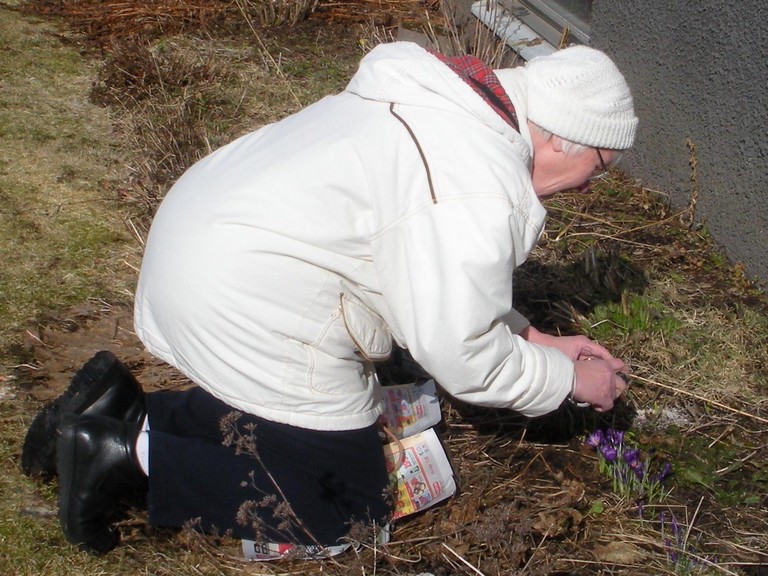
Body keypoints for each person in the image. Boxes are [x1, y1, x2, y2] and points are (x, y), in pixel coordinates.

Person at [23, 41, 636, 555]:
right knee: (345, 507)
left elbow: (436, 273)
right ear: (562, 139)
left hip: (206, 242)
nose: (590, 188)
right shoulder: (474, 185)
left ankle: (119, 407)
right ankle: (122, 454)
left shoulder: (447, 104)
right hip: (244, 293)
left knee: (295, 438)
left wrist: (536, 339)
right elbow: (463, 354)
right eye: (601, 166)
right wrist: (568, 381)